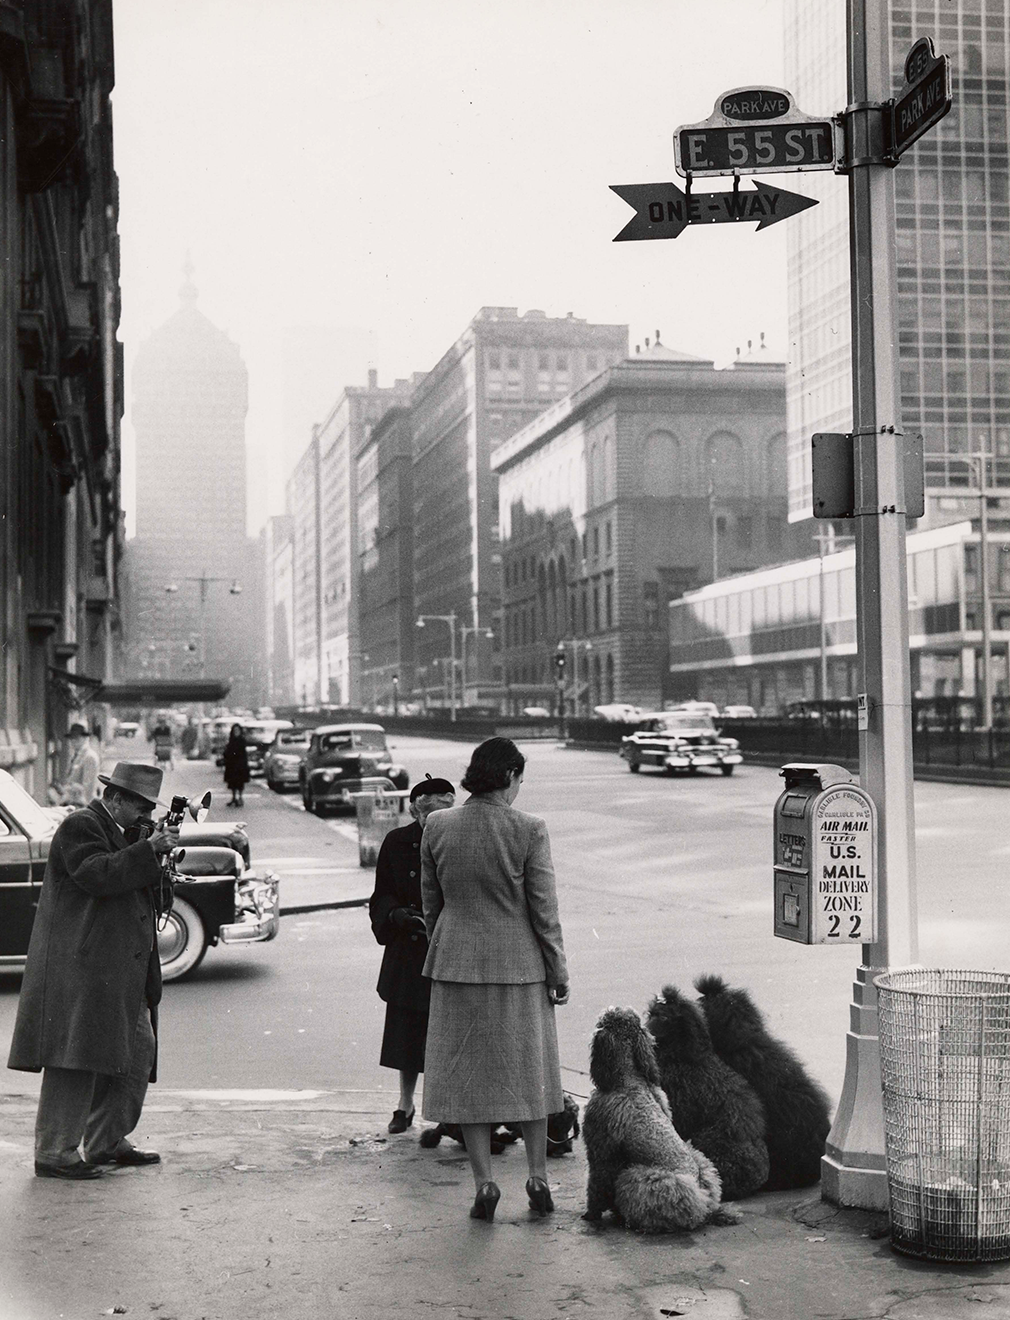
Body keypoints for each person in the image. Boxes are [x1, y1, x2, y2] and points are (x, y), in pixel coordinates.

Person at [7, 762, 181, 1179]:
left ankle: (105, 1141)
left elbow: (148, 894)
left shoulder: (125, 833)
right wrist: (147, 850)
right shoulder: (80, 826)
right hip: (84, 967)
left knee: (135, 1052)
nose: (147, 815)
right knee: (74, 1060)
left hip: (121, 968)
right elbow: (96, 875)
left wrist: (158, 858)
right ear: (116, 798)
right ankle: (54, 1152)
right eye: (140, 805)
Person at [421, 737, 569, 1224]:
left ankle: (484, 1183)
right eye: (520, 779)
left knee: (468, 1080)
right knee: (528, 1074)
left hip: (456, 964)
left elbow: (431, 903)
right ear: (508, 776)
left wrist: (442, 950)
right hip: (519, 968)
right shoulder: (528, 829)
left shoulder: (437, 826)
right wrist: (557, 970)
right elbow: (544, 910)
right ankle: (536, 1176)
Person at [368, 774, 456, 1134]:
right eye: (428, 816)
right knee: (407, 1033)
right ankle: (405, 1103)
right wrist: (395, 915)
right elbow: (382, 892)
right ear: (416, 813)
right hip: (409, 949)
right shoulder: (397, 842)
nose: (434, 824)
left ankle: (451, 1113)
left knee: (450, 1037)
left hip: (449, 948)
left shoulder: (458, 839)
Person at [58, 723, 100, 807]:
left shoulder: (89, 757)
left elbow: (88, 789)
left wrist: (69, 788)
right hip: (73, 803)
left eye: (77, 739)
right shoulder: (76, 756)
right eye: (71, 739)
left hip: (83, 805)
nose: (73, 741)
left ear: (84, 738)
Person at [222, 723, 249, 806]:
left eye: (237, 730)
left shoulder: (242, 740)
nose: (236, 732)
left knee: (240, 783)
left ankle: (240, 798)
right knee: (232, 782)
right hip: (232, 765)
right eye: (235, 731)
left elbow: (243, 753)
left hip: (240, 765)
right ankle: (234, 797)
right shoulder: (231, 740)